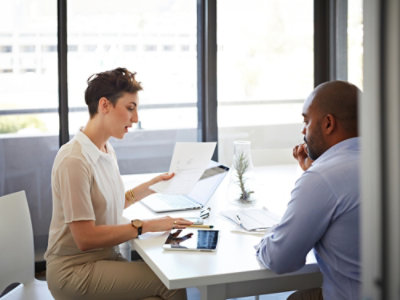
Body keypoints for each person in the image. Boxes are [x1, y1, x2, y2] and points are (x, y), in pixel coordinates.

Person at [44, 67, 193, 300]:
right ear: (105, 105)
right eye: (130, 108)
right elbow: (85, 238)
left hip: (104, 259)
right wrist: (146, 225)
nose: (135, 118)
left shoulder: (105, 149)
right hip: (74, 270)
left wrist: (151, 185)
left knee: (162, 288)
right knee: (170, 284)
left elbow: (111, 204)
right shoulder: (74, 160)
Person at [256, 80, 361, 300]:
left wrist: (268, 234)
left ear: (328, 123)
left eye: (306, 121)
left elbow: (280, 259)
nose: (303, 130)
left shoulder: (323, 178)